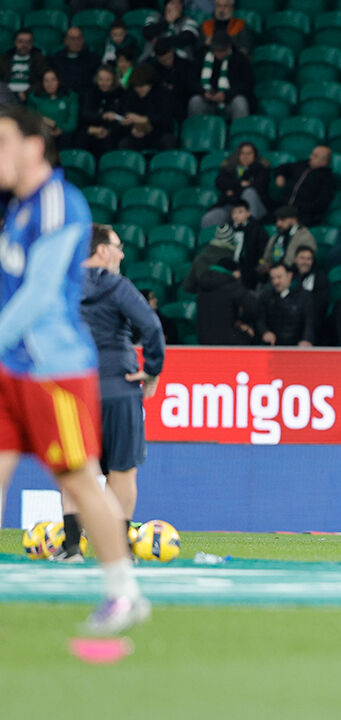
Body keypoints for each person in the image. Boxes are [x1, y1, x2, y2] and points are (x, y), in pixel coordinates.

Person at [0, 106, 147, 633]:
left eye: (3, 143)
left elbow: (39, 295)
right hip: (12, 366)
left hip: (54, 371)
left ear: (33, 147)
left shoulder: (60, 203)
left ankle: (124, 593)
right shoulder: (18, 210)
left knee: (82, 482)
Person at [60, 224, 165, 562]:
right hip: (118, 389)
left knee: (78, 472)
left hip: (75, 390)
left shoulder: (61, 286)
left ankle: (72, 547)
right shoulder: (118, 286)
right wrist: (151, 370)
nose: (121, 254)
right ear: (102, 251)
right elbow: (151, 327)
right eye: (118, 247)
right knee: (122, 472)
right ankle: (118, 551)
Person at [187, 32, 252, 122]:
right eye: (215, 51)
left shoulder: (240, 59)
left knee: (240, 102)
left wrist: (226, 95)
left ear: (228, 47)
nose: (218, 54)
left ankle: (240, 132)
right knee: (195, 101)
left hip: (229, 100)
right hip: (207, 99)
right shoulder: (201, 57)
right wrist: (203, 92)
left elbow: (246, 84)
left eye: (221, 51)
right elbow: (191, 81)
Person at [203, 141, 270, 227]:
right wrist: (240, 183)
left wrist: (233, 190)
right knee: (209, 218)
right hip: (231, 206)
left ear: (255, 155)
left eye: (249, 154)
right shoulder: (229, 168)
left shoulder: (261, 169)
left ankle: (249, 229)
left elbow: (259, 186)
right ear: (238, 155)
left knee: (249, 192)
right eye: (242, 153)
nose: (246, 157)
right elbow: (220, 182)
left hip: (254, 207)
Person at [113, 63, 177, 152]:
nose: (139, 90)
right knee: (124, 143)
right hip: (136, 135)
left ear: (150, 84)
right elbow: (123, 115)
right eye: (136, 87)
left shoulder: (163, 94)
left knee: (168, 141)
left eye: (142, 86)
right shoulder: (130, 95)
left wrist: (146, 120)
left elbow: (166, 120)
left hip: (158, 133)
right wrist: (131, 129)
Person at [183, 221, 257, 294]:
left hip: (205, 301)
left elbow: (188, 286)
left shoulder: (200, 257)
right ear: (232, 240)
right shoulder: (235, 259)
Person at [196, 257, 257, 344]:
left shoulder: (203, 285)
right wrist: (243, 321)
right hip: (228, 342)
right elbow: (253, 307)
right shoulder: (232, 285)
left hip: (203, 340)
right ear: (235, 272)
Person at [273, 145, 336, 228]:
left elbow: (320, 205)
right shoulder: (302, 165)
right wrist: (280, 175)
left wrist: (296, 210)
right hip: (283, 207)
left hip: (303, 216)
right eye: (312, 154)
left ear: (324, 161)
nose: (311, 157)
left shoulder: (327, 179)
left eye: (315, 156)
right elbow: (282, 167)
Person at [256, 262, 314, 347]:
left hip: (296, 346)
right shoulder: (266, 296)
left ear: (289, 275)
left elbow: (309, 321)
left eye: (279, 277)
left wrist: (307, 339)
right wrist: (265, 332)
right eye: (273, 278)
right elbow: (259, 319)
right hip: (273, 346)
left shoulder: (304, 296)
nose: (276, 281)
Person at [146, 37, 197, 121]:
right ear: (157, 58)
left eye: (169, 58)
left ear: (172, 52)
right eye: (163, 60)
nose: (167, 62)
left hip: (181, 102)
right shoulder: (153, 69)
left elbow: (189, 87)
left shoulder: (185, 65)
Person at [77, 66, 124, 156]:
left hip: (111, 132)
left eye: (108, 80)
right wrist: (102, 117)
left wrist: (108, 131)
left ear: (113, 80)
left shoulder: (120, 94)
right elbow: (85, 114)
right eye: (101, 79)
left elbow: (122, 118)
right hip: (92, 129)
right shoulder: (90, 93)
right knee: (81, 137)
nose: (104, 83)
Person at [260, 206, 317, 280]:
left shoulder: (305, 237)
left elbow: (306, 264)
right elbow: (265, 259)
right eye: (277, 220)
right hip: (272, 275)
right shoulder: (277, 236)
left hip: (294, 278)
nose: (278, 224)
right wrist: (263, 265)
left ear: (294, 220)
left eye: (282, 220)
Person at [26, 69, 77, 151]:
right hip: (41, 134)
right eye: (46, 80)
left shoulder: (70, 96)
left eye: (53, 80)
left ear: (59, 81)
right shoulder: (34, 97)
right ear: (41, 82)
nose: (50, 84)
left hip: (63, 136)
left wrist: (58, 128)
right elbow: (30, 120)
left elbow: (72, 124)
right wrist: (45, 128)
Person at [0, 29, 50, 103]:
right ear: (15, 42)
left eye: (27, 42)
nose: (24, 45)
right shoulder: (4, 59)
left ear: (32, 44)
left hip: (29, 96)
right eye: (20, 41)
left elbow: (44, 80)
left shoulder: (39, 59)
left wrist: (27, 92)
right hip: (6, 96)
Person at [49, 27, 99, 98]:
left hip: (86, 98)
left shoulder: (93, 58)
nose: (76, 42)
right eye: (72, 39)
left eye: (79, 38)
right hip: (63, 97)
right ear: (65, 41)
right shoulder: (57, 59)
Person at [292, 245, 329, 328]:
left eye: (309, 259)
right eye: (302, 258)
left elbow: (321, 304)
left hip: (310, 320)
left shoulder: (319, 278)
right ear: (295, 259)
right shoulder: (289, 275)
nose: (305, 262)